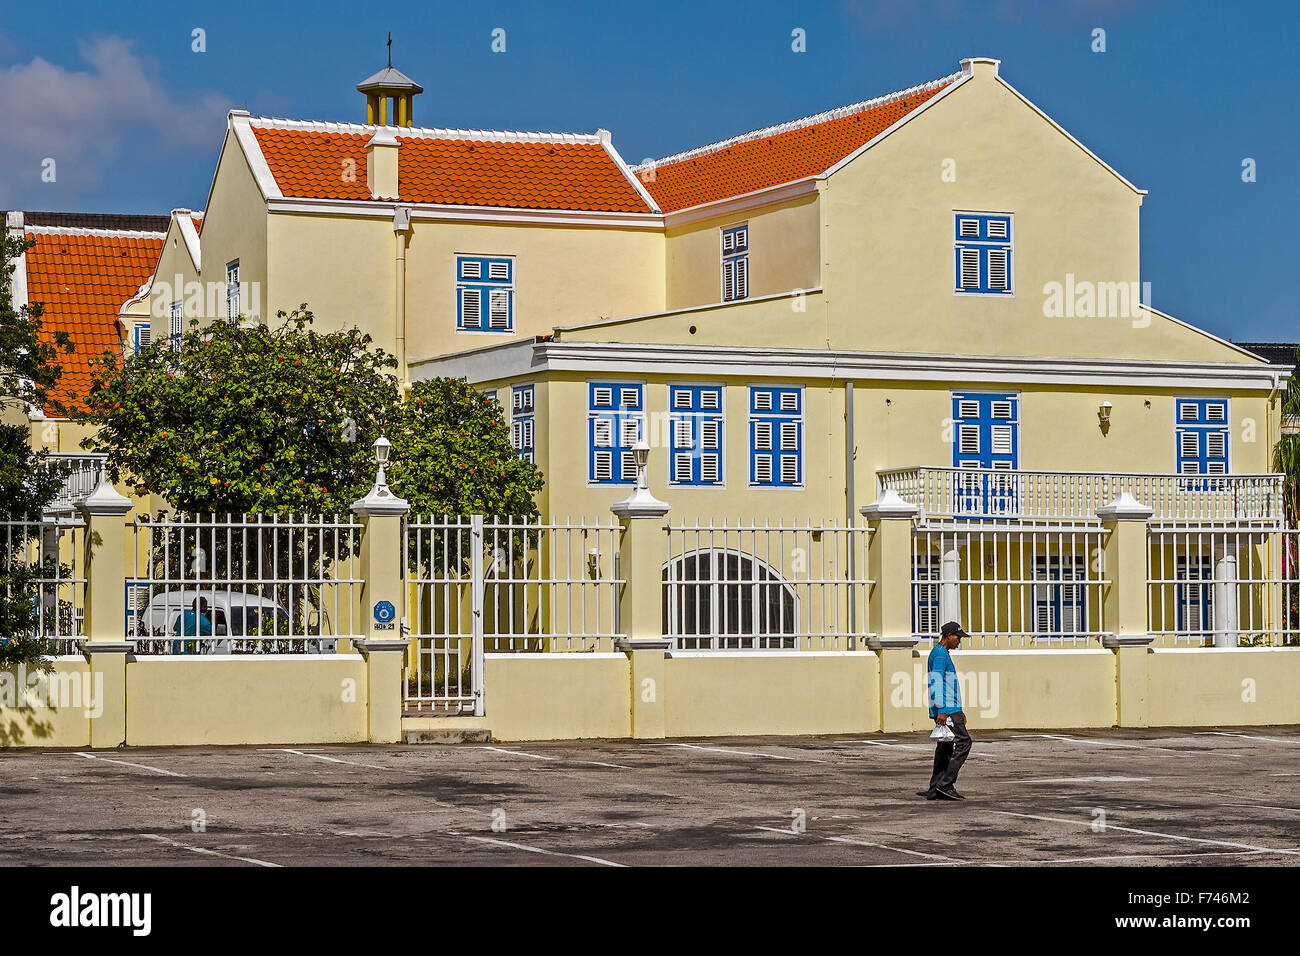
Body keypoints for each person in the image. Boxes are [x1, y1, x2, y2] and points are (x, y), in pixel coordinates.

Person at [917, 621, 972, 801]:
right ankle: (945, 784)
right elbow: (937, 682)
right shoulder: (940, 655)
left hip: (949, 708)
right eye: (957, 637)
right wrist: (942, 709)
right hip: (947, 709)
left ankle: (935, 788)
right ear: (948, 636)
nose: (959, 641)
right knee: (964, 742)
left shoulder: (940, 652)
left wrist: (959, 709)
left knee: (945, 746)